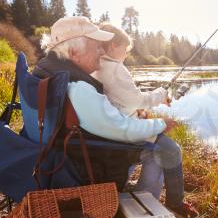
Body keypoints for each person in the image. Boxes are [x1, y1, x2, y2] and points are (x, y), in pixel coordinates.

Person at [32, 17, 198, 217]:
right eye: (96, 47)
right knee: (163, 150)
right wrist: (160, 124)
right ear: (74, 52)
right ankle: (145, 204)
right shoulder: (79, 88)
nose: (102, 52)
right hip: (91, 164)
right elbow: (122, 129)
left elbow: (106, 116)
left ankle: (142, 198)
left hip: (66, 154)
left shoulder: (46, 71)